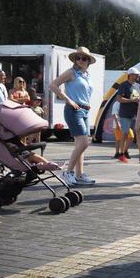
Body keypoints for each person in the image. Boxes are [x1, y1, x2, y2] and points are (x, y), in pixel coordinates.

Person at [50, 46, 97, 186]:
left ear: (88, 61)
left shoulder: (87, 75)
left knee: (81, 145)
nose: (80, 60)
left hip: (84, 110)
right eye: (78, 58)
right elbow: (53, 85)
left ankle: (79, 174)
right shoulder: (71, 73)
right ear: (75, 60)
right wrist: (68, 99)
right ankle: (68, 172)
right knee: (83, 143)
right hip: (73, 110)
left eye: (84, 58)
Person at [115, 67, 140, 163]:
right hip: (125, 113)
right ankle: (121, 154)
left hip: (136, 113)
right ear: (130, 75)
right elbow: (119, 99)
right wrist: (131, 100)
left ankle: (126, 151)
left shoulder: (138, 86)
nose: (137, 76)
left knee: (137, 133)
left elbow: (139, 97)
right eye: (136, 74)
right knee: (125, 134)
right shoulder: (123, 85)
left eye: (138, 74)